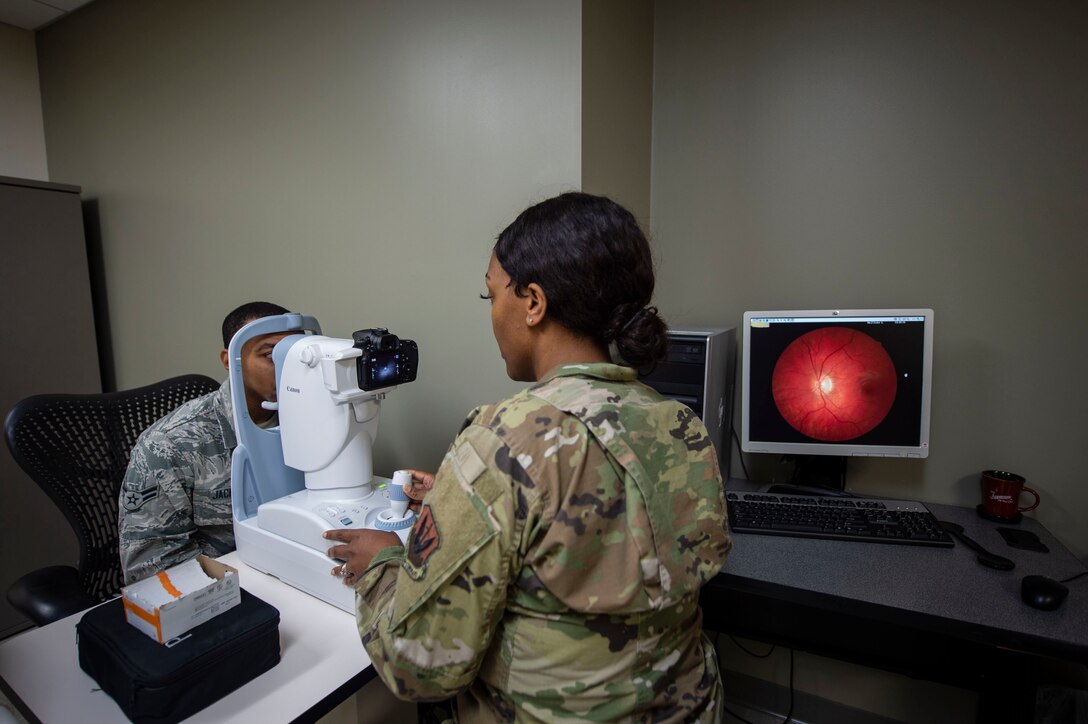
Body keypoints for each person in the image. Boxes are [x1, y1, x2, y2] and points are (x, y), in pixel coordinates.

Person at [326, 193, 732, 722]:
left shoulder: (503, 440)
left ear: (533, 303)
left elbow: (419, 667)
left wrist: (383, 565)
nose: (492, 314)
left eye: (491, 295)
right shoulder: (680, 423)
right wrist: (459, 498)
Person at [118, 301, 291, 584]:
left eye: (292, 356)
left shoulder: (311, 422)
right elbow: (149, 570)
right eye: (271, 355)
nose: (285, 369)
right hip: (226, 592)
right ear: (229, 360)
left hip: (290, 570)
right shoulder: (170, 445)